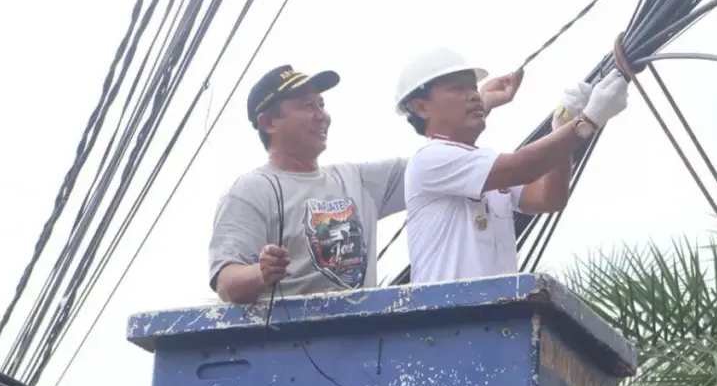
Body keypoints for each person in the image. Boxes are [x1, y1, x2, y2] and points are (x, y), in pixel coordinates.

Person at [208, 63, 520, 303]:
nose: (322, 115)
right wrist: (260, 273)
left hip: (360, 351)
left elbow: (446, 163)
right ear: (269, 123)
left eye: (321, 104)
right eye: (307, 106)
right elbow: (226, 282)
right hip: (289, 354)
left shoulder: (356, 180)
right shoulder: (251, 191)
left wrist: (477, 105)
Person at [396, 47, 629, 284]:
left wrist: (562, 128)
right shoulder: (430, 159)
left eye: (473, 88)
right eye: (458, 88)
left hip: (493, 314)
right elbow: (523, 166)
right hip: (447, 317)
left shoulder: (479, 166)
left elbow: (549, 197)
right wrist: (586, 121)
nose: (474, 95)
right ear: (422, 107)